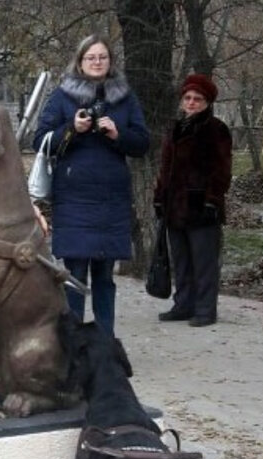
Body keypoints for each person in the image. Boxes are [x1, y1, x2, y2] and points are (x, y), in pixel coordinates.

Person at [33, 34, 150, 338]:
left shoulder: (125, 98)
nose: (97, 62)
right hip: (74, 199)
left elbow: (142, 143)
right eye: (91, 58)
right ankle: (73, 345)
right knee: (73, 275)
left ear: (110, 62)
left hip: (111, 200)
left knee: (104, 277)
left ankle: (104, 343)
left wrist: (116, 133)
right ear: (80, 62)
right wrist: (73, 128)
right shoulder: (62, 97)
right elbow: (39, 141)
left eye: (102, 57)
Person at [152, 73, 232, 328]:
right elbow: (165, 168)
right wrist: (159, 196)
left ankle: (206, 309)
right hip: (174, 206)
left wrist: (212, 200)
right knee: (182, 260)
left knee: (204, 261)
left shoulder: (215, 129)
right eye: (187, 98)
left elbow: (222, 169)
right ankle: (183, 304)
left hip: (201, 206)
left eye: (197, 99)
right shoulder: (175, 129)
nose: (191, 102)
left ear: (207, 102)